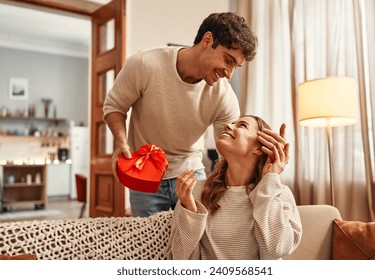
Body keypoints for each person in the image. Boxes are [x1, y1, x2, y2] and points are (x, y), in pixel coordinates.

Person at [103, 12, 284, 217]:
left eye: (236, 66)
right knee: (149, 246)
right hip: (145, 173)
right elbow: (114, 106)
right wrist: (121, 142)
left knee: (195, 242)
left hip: (192, 174)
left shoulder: (224, 96)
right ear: (207, 40)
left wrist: (265, 163)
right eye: (228, 60)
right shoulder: (145, 63)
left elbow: (230, 152)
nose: (229, 73)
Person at [167, 115, 302, 260]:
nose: (228, 126)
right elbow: (178, 260)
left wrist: (270, 178)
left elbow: (276, 249)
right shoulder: (196, 192)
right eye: (232, 123)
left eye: (242, 125)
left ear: (259, 148)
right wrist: (190, 211)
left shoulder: (279, 193)